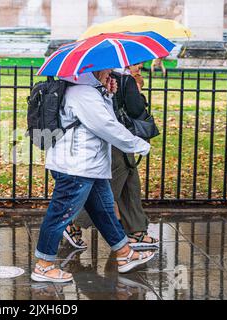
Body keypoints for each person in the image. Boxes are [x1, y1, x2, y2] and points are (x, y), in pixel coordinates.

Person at [31, 69, 155, 283]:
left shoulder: (87, 90)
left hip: (88, 166)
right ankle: (44, 265)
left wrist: (106, 95)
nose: (112, 73)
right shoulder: (82, 93)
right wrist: (138, 145)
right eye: (108, 69)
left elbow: (102, 118)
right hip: (76, 167)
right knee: (59, 214)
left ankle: (124, 254)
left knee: (104, 211)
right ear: (95, 69)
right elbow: (106, 126)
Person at [66, 63, 159, 250]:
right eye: (137, 62)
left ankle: (137, 230)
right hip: (118, 140)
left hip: (117, 140)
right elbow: (135, 110)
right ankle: (72, 223)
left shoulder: (100, 82)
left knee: (130, 184)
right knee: (110, 187)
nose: (140, 64)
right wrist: (138, 88)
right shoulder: (123, 80)